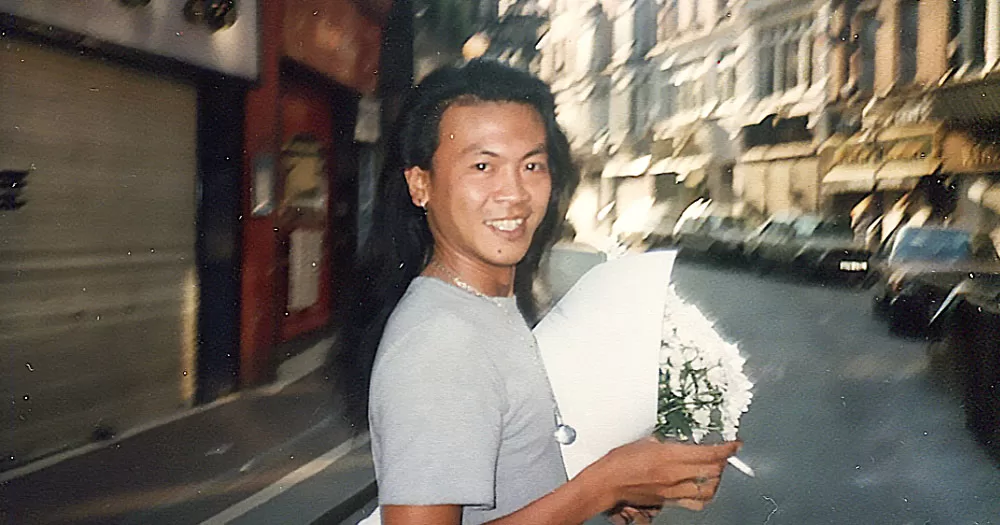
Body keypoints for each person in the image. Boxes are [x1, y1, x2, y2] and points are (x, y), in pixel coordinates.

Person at [330, 59, 740, 525]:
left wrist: (607, 493)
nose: (515, 194)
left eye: (532, 165)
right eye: (483, 166)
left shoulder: (484, 307)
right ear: (420, 184)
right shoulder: (440, 342)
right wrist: (602, 485)